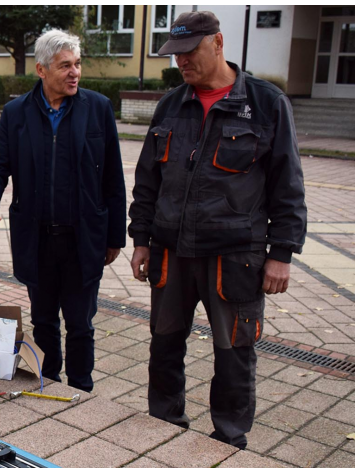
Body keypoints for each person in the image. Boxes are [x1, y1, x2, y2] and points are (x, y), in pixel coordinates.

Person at [128, 11, 307, 449]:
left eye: (190, 52)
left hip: (235, 257)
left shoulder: (266, 103)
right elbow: (148, 180)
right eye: (176, 55)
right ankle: (163, 425)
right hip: (171, 251)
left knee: (234, 353)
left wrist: (281, 253)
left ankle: (228, 440)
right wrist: (141, 240)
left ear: (218, 43)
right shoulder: (171, 105)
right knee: (164, 344)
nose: (182, 62)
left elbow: (288, 185)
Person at [0, 29, 127, 392]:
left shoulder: (98, 108)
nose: (74, 73)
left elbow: (113, 177)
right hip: (37, 239)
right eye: (65, 66)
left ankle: (81, 387)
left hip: (83, 238)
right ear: (42, 70)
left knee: (80, 324)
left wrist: (114, 238)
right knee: (43, 321)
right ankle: (50, 382)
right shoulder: (16, 113)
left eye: (77, 64)